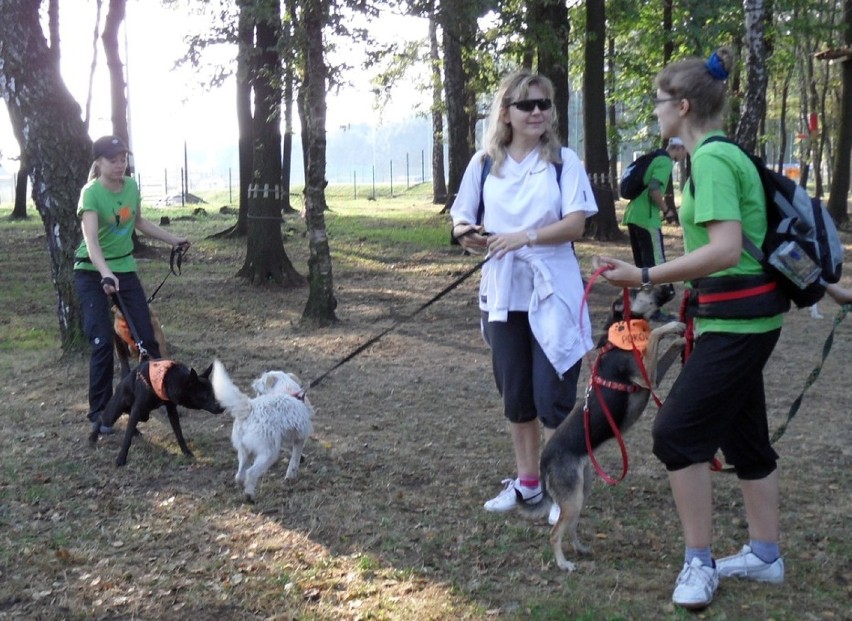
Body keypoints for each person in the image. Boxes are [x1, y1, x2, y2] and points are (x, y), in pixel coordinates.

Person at [593, 47, 785, 610]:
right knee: (745, 437)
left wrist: (644, 273)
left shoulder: (711, 161)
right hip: (740, 318)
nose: (654, 112)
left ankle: (698, 562)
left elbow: (726, 250)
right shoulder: (719, 157)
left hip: (739, 323)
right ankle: (765, 555)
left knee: (676, 434)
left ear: (681, 105)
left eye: (657, 102)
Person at [450, 70, 597, 526]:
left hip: (553, 291)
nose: (537, 112)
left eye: (544, 105)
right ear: (506, 113)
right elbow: (459, 221)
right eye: (526, 105)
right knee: (516, 396)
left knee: (553, 397)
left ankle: (564, 488)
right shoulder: (483, 164)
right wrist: (468, 236)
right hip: (502, 293)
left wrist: (525, 237)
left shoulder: (563, 162)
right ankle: (527, 482)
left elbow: (576, 224)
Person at [74, 135, 190, 433]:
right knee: (101, 341)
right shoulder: (91, 193)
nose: (119, 164)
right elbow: (90, 240)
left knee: (147, 340)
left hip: (124, 269)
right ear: (98, 162)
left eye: (123, 158)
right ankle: (100, 412)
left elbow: (139, 222)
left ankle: (150, 398)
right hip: (91, 270)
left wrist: (172, 239)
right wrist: (104, 273)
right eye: (113, 159)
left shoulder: (131, 186)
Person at [622, 137, 687, 318]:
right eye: (685, 150)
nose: (685, 155)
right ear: (678, 148)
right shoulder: (665, 161)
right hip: (647, 219)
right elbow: (653, 189)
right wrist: (667, 210)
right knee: (656, 267)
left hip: (633, 215)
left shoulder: (655, 157)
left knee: (644, 267)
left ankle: (640, 307)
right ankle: (652, 309)